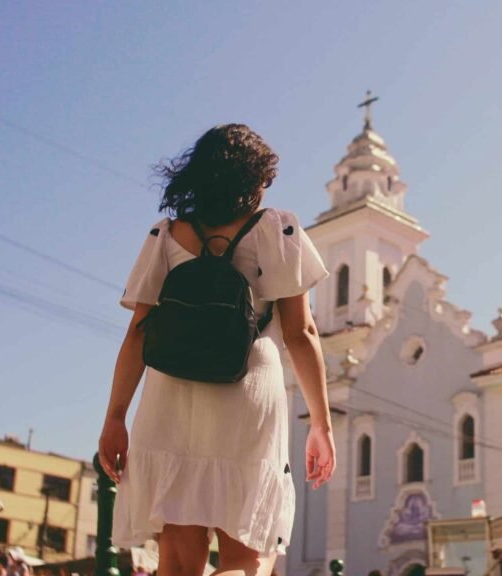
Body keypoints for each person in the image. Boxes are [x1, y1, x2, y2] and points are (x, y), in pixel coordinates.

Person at [98, 124, 335, 576]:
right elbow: (300, 333)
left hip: (170, 395)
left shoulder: (166, 234)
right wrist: (321, 424)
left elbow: (137, 333)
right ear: (253, 180)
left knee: (178, 562)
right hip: (247, 391)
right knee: (246, 561)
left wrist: (115, 418)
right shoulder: (277, 229)